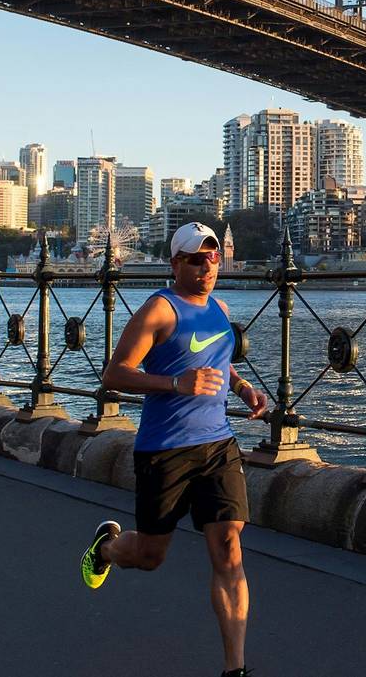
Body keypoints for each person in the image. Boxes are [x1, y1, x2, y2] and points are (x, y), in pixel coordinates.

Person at [81, 222, 268, 677]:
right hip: (164, 449)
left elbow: (216, 362)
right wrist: (174, 383)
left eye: (213, 257)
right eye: (196, 259)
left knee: (229, 547)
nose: (207, 267)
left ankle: (235, 669)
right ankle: (107, 549)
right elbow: (114, 374)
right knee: (150, 556)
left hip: (218, 443)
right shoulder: (159, 310)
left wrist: (242, 388)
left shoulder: (219, 307)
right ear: (175, 263)